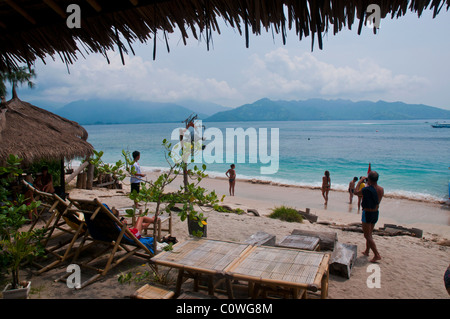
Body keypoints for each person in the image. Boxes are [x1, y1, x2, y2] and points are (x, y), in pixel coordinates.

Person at [354, 171, 384, 263]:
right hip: (375, 213)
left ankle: (377, 254)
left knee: (367, 235)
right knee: (369, 234)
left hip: (367, 213)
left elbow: (355, 192)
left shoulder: (367, 190)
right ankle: (367, 251)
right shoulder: (381, 189)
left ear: (369, 179)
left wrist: (360, 182)